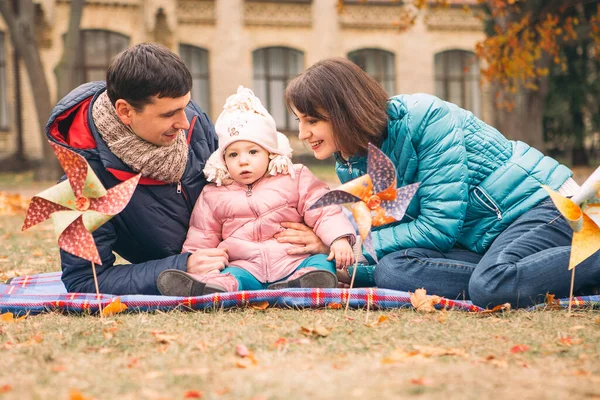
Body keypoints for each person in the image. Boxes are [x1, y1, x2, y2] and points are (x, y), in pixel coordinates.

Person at [284, 57, 600, 308]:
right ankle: (535, 275)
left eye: (312, 120)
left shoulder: (425, 118)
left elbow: (437, 228)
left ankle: (557, 263)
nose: (303, 134)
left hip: (539, 206)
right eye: (299, 120)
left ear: (344, 111)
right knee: (392, 269)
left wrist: (349, 247)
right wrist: (338, 265)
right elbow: (392, 241)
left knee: (489, 285)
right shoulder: (351, 162)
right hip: (481, 241)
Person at [47, 43, 229, 295]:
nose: (185, 123)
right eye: (169, 114)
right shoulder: (78, 183)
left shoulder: (194, 121)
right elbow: (84, 280)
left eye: (185, 106)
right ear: (125, 111)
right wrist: (181, 266)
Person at [157, 87, 356, 296]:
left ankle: (308, 281)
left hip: (294, 261)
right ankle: (211, 288)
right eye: (233, 154)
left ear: (270, 153)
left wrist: (338, 238)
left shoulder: (294, 177)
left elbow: (324, 210)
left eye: (253, 151)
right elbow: (202, 235)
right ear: (223, 160)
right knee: (230, 276)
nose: (243, 160)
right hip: (245, 266)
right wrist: (195, 262)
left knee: (319, 262)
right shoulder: (213, 195)